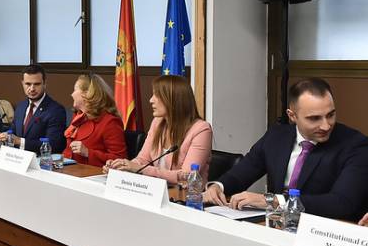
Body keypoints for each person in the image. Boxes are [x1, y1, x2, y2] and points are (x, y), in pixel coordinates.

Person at [203, 78, 368, 221]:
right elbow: (243, 172)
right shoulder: (277, 136)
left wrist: (274, 201)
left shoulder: (355, 145)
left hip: (324, 231)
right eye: (314, 118)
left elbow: (342, 203)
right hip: (277, 224)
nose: (326, 125)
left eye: (330, 115)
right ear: (292, 116)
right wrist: (218, 187)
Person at [103, 75, 212, 183]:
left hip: (186, 193)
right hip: (157, 189)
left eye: (157, 95)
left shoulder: (201, 130)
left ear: (173, 99)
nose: (151, 100)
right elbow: (143, 159)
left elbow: (187, 175)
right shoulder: (158, 122)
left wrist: (140, 169)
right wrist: (122, 166)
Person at [0, 64, 66, 153]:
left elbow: (54, 145)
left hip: (39, 159)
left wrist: (20, 141)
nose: (32, 89)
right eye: (28, 84)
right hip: (17, 157)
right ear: (22, 83)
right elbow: (13, 132)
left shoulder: (56, 111)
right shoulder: (21, 106)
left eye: (37, 84)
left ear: (44, 84)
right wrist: (2, 135)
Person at [62, 74, 127, 167]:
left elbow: (120, 160)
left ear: (87, 94)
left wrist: (88, 153)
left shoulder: (110, 122)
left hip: (94, 174)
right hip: (71, 171)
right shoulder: (79, 117)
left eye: (75, 90)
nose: (72, 94)